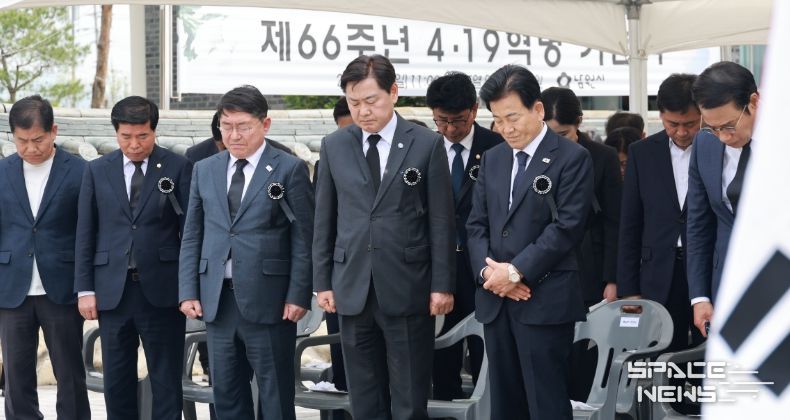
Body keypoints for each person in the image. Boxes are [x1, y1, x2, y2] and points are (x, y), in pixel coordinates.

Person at [313, 54, 456, 420]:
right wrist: (322, 281)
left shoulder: (426, 144)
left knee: (409, 395)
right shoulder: (334, 145)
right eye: (353, 102)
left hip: (407, 284)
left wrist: (442, 285)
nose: (363, 111)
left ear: (393, 92)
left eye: (371, 100)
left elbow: (441, 221)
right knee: (363, 396)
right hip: (352, 285)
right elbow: (324, 219)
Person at [179, 85, 314, 420]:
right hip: (218, 300)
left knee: (275, 396)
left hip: (271, 301)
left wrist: (298, 294)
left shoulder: (289, 168)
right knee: (226, 395)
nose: (234, 135)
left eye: (243, 126)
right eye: (226, 126)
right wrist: (188, 290)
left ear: (264, 124)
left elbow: (303, 237)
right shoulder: (205, 169)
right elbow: (193, 234)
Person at [467, 64, 593, 419]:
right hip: (496, 299)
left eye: (513, 117)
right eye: (497, 120)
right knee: (505, 403)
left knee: (545, 402)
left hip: (545, 298)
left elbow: (567, 227)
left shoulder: (572, 158)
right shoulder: (493, 158)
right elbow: (475, 225)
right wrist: (491, 276)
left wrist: (516, 272)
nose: (506, 128)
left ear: (537, 109)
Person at [75, 96, 191, 420]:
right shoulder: (97, 170)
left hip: (163, 290)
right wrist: (85, 289)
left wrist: (189, 289)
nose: (135, 144)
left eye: (143, 136)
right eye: (126, 136)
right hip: (113, 292)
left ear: (154, 131)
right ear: (116, 133)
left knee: (166, 379)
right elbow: (85, 232)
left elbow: (190, 233)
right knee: (116, 381)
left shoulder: (178, 167)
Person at [0, 95, 91, 420]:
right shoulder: (2, 171)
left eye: (38, 139)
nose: (30, 148)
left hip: (62, 288)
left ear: (54, 131)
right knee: (16, 377)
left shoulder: (80, 171)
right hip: (12, 288)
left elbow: (87, 233)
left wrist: (86, 287)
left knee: (70, 374)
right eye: (22, 141)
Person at [425, 71, 503, 401]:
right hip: (437, 269)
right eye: (441, 121)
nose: (450, 129)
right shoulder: (423, 148)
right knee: (441, 358)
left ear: (474, 110)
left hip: (485, 268)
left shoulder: (497, 147)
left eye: (457, 120)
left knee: (488, 355)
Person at [618, 74, 705, 353]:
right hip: (657, 273)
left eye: (690, 124)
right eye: (672, 124)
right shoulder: (642, 153)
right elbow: (630, 224)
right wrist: (629, 289)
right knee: (661, 354)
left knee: (709, 354)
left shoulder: (717, 148)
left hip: (705, 270)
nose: (681, 132)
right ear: (661, 116)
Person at [687, 62, 759, 338]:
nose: (723, 137)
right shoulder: (704, 144)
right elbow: (698, 224)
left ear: (753, 102)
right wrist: (700, 296)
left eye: (729, 126)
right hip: (725, 287)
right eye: (713, 127)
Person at [542, 87, 621, 307]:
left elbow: (614, 221)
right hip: (542, 266)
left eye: (563, 135)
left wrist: (613, 278)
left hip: (589, 267)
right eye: (547, 135)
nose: (556, 142)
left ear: (578, 121)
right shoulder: (531, 157)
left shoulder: (604, 157)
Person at [186, 111, 295, 163]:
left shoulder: (283, 155)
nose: (234, 139)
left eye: (243, 128)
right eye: (225, 147)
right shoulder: (196, 156)